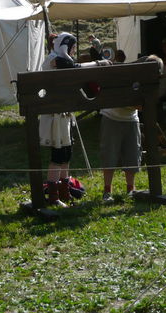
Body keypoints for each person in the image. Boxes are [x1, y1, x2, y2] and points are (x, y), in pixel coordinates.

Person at [39, 32, 110, 207]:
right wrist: (96, 63)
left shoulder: (62, 58)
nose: (73, 50)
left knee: (67, 153)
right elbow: (69, 65)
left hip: (65, 114)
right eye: (72, 47)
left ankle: (65, 191)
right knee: (57, 154)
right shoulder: (53, 59)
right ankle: (54, 196)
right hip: (55, 114)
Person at [100, 55, 164, 203]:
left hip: (131, 119)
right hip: (112, 117)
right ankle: (107, 191)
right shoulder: (130, 76)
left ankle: (131, 189)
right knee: (110, 154)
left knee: (132, 154)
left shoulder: (149, 81)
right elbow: (121, 97)